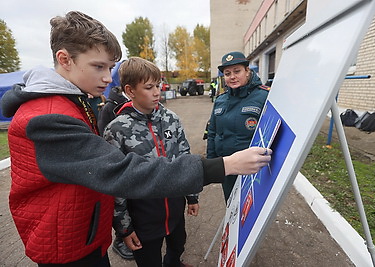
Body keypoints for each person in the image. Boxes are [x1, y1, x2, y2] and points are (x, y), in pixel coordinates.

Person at [1, 12, 272, 266]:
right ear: (65, 60)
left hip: (82, 232)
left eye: (110, 67)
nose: (107, 78)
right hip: (66, 242)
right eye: (98, 67)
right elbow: (122, 171)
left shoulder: (70, 102)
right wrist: (224, 165)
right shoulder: (49, 117)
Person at [103, 57, 198, 267]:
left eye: (158, 85)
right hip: (143, 215)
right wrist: (124, 228)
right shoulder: (116, 130)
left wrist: (192, 196)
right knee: (149, 260)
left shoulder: (171, 118)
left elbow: (185, 156)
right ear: (130, 90)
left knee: (178, 245)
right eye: (149, 87)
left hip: (174, 207)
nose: (157, 92)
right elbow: (115, 182)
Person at [206, 51, 270, 202]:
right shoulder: (220, 100)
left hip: (253, 169)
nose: (232, 76)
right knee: (232, 207)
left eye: (237, 71)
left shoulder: (264, 97)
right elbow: (212, 132)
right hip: (227, 167)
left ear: (247, 71)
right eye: (227, 73)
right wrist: (211, 163)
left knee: (251, 210)